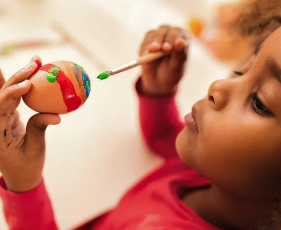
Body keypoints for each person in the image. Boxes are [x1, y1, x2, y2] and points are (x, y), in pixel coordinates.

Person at [1, 24, 281, 230]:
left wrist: (24, 183)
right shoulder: (212, 174)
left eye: (259, 102)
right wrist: (159, 91)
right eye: (241, 70)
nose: (218, 86)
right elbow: (164, 138)